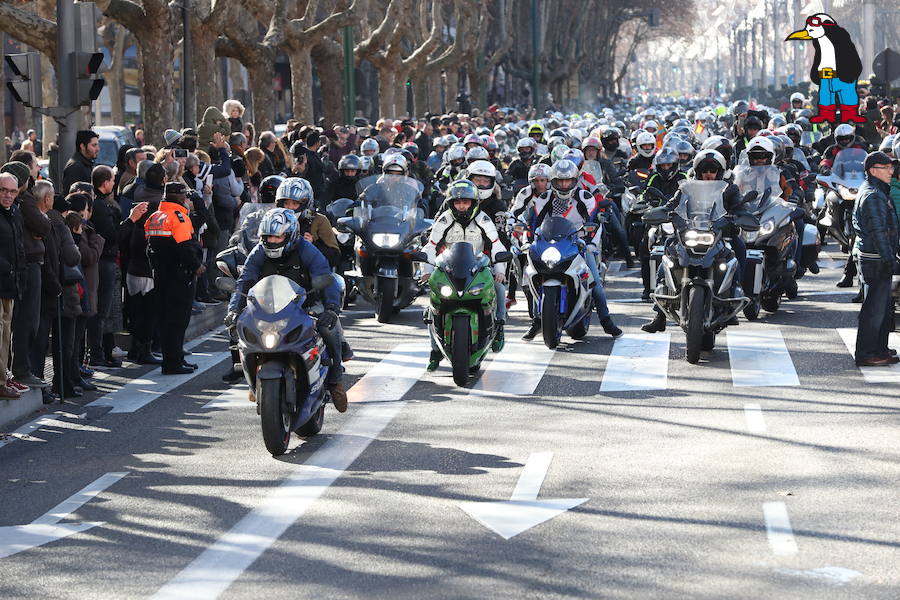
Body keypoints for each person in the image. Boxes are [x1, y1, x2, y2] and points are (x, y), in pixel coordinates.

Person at [225, 208, 348, 411]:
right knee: (238, 329)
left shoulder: (307, 250)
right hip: (267, 307)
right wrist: (233, 310)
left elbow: (326, 278)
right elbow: (244, 280)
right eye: (268, 237)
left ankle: (336, 381)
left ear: (290, 235)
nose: (272, 241)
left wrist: (332, 308)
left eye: (277, 236)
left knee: (329, 329)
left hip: (307, 303)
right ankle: (253, 379)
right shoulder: (258, 252)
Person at [642, 149, 755, 333]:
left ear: (719, 171)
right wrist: (663, 212)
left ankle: (734, 297)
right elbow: (672, 204)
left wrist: (740, 215)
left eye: (712, 170)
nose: (708, 174)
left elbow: (739, 205)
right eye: (704, 170)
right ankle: (659, 315)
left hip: (720, 234)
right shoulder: (687, 187)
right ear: (698, 170)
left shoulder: (729, 188)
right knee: (667, 253)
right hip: (690, 232)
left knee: (738, 249)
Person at [521, 159, 623, 340]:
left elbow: (595, 222)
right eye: (559, 181)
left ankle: (606, 321)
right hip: (551, 242)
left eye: (567, 181)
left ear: (575, 180)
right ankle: (537, 321)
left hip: (579, 243)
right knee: (529, 276)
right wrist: (529, 240)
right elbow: (534, 222)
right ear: (552, 181)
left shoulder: (585, 197)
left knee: (595, 282)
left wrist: (590, 243)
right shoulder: (544, 198)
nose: (564, 185)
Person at [421, 180, 509, 371]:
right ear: (451, 203)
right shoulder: (444, 219)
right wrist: (426, 271)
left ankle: (500, 325)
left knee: (500, 288)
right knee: (432, 305)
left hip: (478, 267)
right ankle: (435, 349)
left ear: (473, 202)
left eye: (466, 202)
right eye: (458, 202)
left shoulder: (483, 219)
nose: (462, 206)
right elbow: (430, 245)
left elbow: (496, 244)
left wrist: (500, 271)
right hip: (448, 268)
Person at [145, 182, 202, 374]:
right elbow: (185, 248)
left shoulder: (155, 216)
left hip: (161, 275)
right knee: (177, 321)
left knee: (166, 320)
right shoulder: (179, 218)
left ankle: (175, 358)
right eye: (185, 196)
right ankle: (173, 363)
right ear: (178, 196)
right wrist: (196, 266)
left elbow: (149, 247)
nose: (187, 199)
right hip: (179, 277)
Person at [851, 151, 899, 366]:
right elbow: (878, 231)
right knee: (875, 309)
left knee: (882, 307)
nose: (891, 171)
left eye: (891, 167)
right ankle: (867, 353)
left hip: (875, 256)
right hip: (875, 258)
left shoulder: (877, 191)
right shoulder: (873, 195)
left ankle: (879, 348)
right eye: (886, 167)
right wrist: (889, 259)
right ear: (872, 171)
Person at [274, 177, 340, 268]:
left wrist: (313, 245)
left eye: (294, 203)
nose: (289, 207)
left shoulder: (319, 220)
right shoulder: (275, 220)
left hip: (308, 274)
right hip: (280, 272)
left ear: (304, 204)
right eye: (286, 203)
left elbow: (335, 257)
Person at [0, 172, 25, 398]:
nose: (8, 195)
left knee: (5, 333)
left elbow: (17, 246)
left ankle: (4, 378)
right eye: (3, 190)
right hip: (2, 279)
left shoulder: (14, 212)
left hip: (10, 283)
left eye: (12, 191)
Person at [62, 130, 99, 195]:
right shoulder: (75, 167)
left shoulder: (86, 164)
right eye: (93, 145)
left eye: (97, 145)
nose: (97, 149)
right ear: (82, 146)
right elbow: (72, 196)